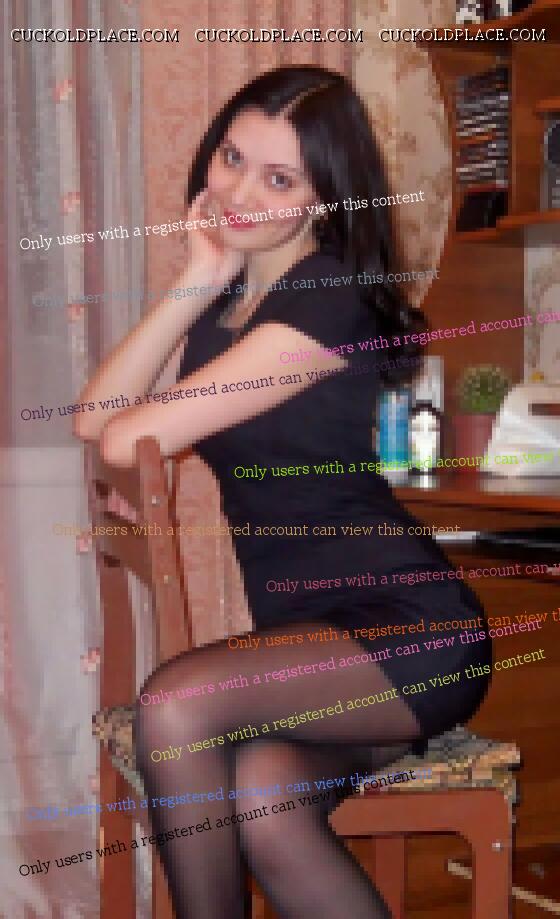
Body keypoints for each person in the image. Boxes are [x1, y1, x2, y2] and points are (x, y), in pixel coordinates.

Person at [75, 66, 492, 919]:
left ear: (325, 197)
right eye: (232, 158)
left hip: (408, 633)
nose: (238, 192)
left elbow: (120, 439)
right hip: (311, 642)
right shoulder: (235, 300)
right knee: (266, 795)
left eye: (279, 179)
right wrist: (200, 274)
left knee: (178, 702)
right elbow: (98, 419)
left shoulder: (325, 299)